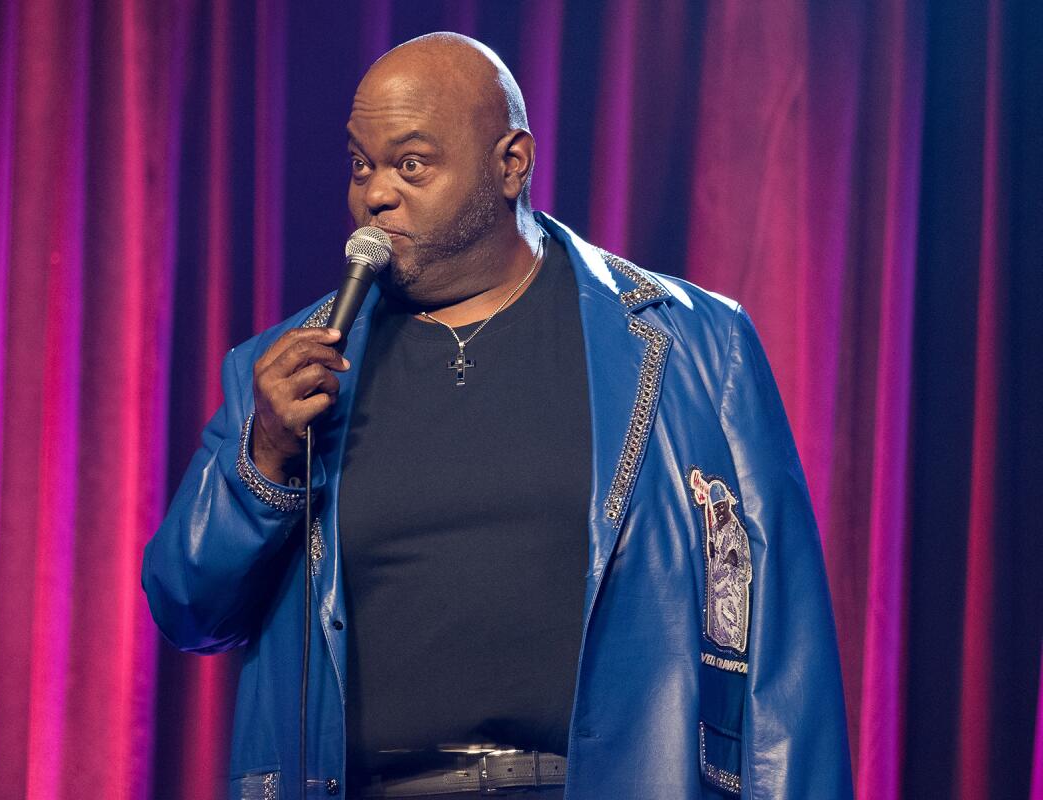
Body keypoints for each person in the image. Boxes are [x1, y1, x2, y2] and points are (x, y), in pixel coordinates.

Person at [142, 32, 853, 800]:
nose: (376, 193)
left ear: (511, 163)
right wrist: (266, 457)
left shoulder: (694, 345)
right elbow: (188, 608)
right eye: (361, 164)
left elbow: (784, 654)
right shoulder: (291, 370)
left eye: (411, 163)